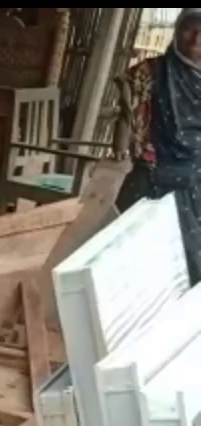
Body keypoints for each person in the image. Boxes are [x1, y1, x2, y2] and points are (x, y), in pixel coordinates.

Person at [113, 7, 201, 285]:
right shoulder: (150, 73)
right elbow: (127, 116)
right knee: (131, 267)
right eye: (190, 27)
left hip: (198, 183)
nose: (197, 38)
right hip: (155, 178)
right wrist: (121, 148)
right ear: (177, 29)